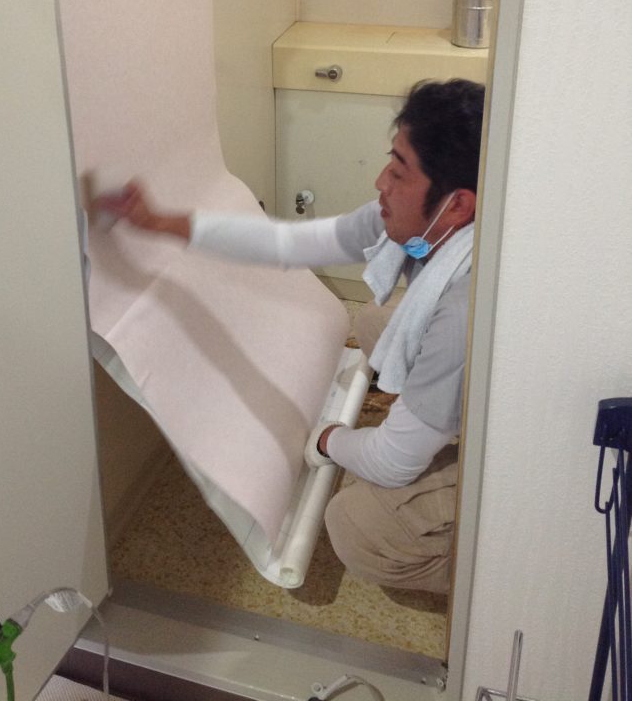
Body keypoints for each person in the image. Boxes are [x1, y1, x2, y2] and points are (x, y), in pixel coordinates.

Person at [95, 78, 485, 594]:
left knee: (358, 527)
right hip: (482, 376)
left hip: (524, 462)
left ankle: (496, 569)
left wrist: (325, 438)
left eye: (398, 171)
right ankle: (443, 422)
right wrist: (161, 223)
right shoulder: (439, 226)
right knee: (377, 323)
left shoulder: (465, 310)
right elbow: (288, 243)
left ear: (457, 205)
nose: (379, 182)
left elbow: (390, 464)